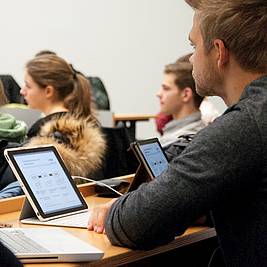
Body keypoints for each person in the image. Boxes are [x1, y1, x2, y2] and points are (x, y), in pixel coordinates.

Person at [87, 0, 267, 266]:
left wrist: (114, 210)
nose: (191, 58)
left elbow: (137, 225)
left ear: (219, 52)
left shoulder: (244, 127)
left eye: (194, 46)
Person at [0, 54, 106, 191]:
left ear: (48, 91)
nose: (22, 91)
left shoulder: (47, 136)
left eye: (28, 86)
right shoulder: (81, 128)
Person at [156, 53, 206, 148]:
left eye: (166, 88)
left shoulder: (180, 142)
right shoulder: (201, 130)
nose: (158, 94)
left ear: (186, 94)